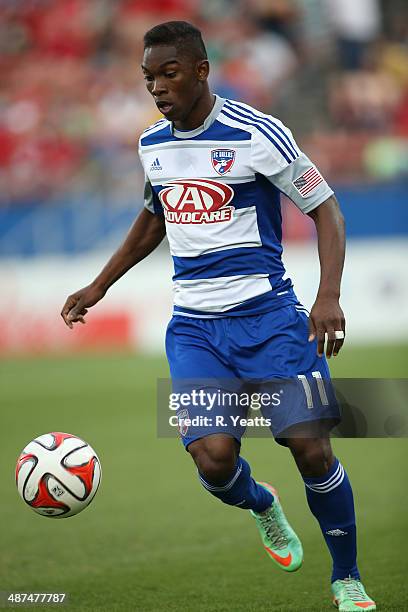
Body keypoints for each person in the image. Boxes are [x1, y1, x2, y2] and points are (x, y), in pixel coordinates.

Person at [61, 21, 376, 612]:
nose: (157, 87)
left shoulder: (258, 133)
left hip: (271, 318)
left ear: (202, 70)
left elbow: (325, 207)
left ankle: (347, 578)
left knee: (310, 448)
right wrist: (98, 285)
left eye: (169, 73)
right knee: (213, 459)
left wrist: (327, 295)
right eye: (148, 77)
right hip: (196, 329)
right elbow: (155, 216)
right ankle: (261, 503)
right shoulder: (152, 144)